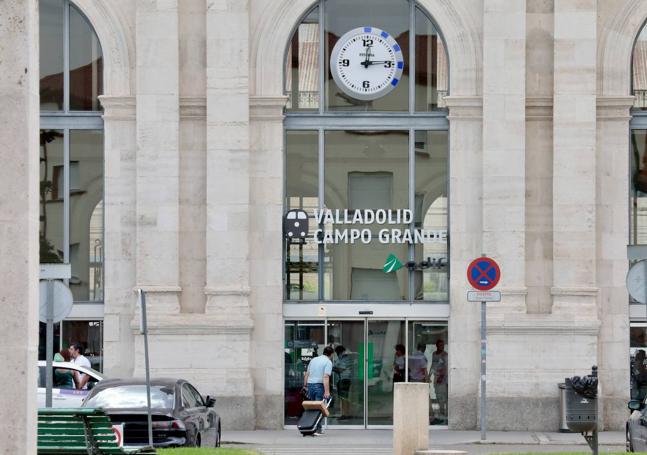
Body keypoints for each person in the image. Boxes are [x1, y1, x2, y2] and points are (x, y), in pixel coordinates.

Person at [303, 346, 333, 435]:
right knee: (319, 409)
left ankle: (312, 427)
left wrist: (305, 385)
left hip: (310, 385)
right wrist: (327, 391)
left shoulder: (314, 360)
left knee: (313, 408)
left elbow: (307, 373)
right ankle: (317, 429)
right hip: (319, 386)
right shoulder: (328, 362)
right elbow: (326, 377)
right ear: (331, 354)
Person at [430, 339, 448, 423]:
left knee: (442, 396)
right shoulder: (434, 354)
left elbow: (446, 367)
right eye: (440, 345)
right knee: (437, 394)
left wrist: (442, 376)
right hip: (435, 377)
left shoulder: (445, 355)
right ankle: (441, 415)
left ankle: (444, 415)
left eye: (443, 345)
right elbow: (432, 365)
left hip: (442, 379)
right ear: (436, 345)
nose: (442, 346)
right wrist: (429, 376)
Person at [333, 345, 352, 419]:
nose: (337, 354)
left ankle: (345, 414)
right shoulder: (340, 359)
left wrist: (333, 368)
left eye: (337, 352)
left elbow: (340, 370)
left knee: (344, 397)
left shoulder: (345, 359)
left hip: (344, 380)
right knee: (343, 398)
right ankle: (345, 413)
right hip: (341, 380)